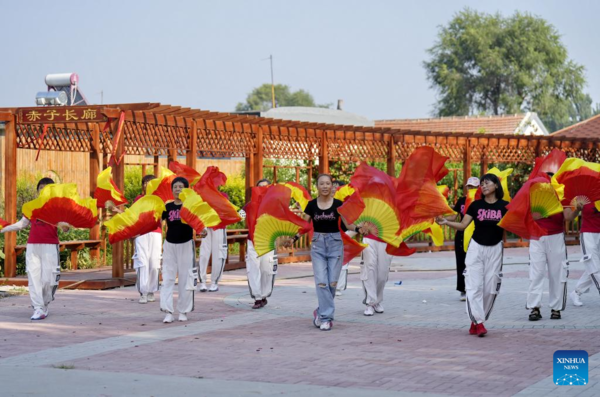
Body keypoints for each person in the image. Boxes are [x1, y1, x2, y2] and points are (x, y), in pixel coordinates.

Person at [284, 174, 366, 331]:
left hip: (335, 244)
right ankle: (326, 318)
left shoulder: (339, 204)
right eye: (322, 183)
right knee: (321, 282)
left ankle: (320, 311)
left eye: (328, 183)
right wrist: (294, 238)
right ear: (317, 186)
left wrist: (358, 228)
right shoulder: (311, 205)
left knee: (332, 283)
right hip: (318, 246)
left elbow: (347, 225)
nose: (325, 186)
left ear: (332, 186)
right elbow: (305, 225)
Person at [437, 173, 508, 337]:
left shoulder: (505, 206)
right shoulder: (475, 205)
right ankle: (479, 321)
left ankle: (476, 320)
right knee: (474, 286)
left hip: (495, 249)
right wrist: (446, 222)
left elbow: (514, 223)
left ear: (496, 185)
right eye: (481, 184)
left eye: (487, 183)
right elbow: (463, 225)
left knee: (491, 288)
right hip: (476, 248)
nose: (483, 186)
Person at [1, 178, 69, 320]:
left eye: (47, 188)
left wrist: (65, 226)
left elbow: (64, 225)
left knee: (48, 279)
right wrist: (3, 229)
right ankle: (38, 308)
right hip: (33, 246)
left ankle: (44, 304)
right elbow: (22, 224)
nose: (43, 190)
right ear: (37, 191)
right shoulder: (32, 207)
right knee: (33, 277)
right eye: (41, 188)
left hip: (50, 246)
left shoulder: (57, 208)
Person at [527, 174, 581, 321]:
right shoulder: (533, 194)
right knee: (536, 273)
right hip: (537, 237)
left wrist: (577, 209)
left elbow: (568, 216)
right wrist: (535, 215)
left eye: (550, 181)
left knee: (557, 273)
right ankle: (534, 307)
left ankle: (556, 308)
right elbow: (526, 215)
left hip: (556, 236)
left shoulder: (561, 194)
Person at [160, 177, 197, 323]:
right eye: (175, 187)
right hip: (170, 245)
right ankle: (168, 311)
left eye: (181, 187)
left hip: (186, 245)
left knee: (185, 278)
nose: (177, 189)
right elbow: (155, 220)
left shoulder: (190, 207)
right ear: (172, 190)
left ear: (186, 189)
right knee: (168, 278)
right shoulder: (167, 207)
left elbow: (200, 223)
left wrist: (204, 231)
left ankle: (183, 311)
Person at [245, 179, 277, 309]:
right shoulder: (249, 206)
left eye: (265, 187)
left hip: (267, 241)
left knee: (266, 269)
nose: (263, 189)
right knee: (253, 268)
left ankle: (264, 295)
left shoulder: (274, 205)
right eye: (260, 187)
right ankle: (257, 297)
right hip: (252, 241)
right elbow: (239, 215)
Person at [448, 177, 480, 301]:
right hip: (462, 235)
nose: (471, 189)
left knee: (475, 263)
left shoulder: (480, 202)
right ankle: (463, 289)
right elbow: (453, 217)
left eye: (474, 187)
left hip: (476, 234)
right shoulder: (461, 201)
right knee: (461, 262)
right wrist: (441, 218)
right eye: (469, 186)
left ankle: (475, 288)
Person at [133, 175, 162, 304]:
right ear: (142, 185)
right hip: (141, 234)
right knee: (142, 262)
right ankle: (143, 292)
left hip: (156, 233)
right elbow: (133, 216)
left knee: (154, 263)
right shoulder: (139, 199)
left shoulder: (159, 199)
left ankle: (151, 290)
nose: (148, 185)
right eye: (145, 183)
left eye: (151, 183)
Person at [569, 200, 600, 307]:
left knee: (594, 267)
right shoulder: (583, 196)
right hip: (588, 234)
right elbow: (569, 217)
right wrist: (577, 208)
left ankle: (576, 292)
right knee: (594, 266)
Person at [198, 190, 230, 293]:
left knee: (219, 254)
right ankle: (202, 281)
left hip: (219, 226)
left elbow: (226, 210)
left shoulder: (223, 195)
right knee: (204, 253)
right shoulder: (202, 195)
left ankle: (214, 282)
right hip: (206, 226)